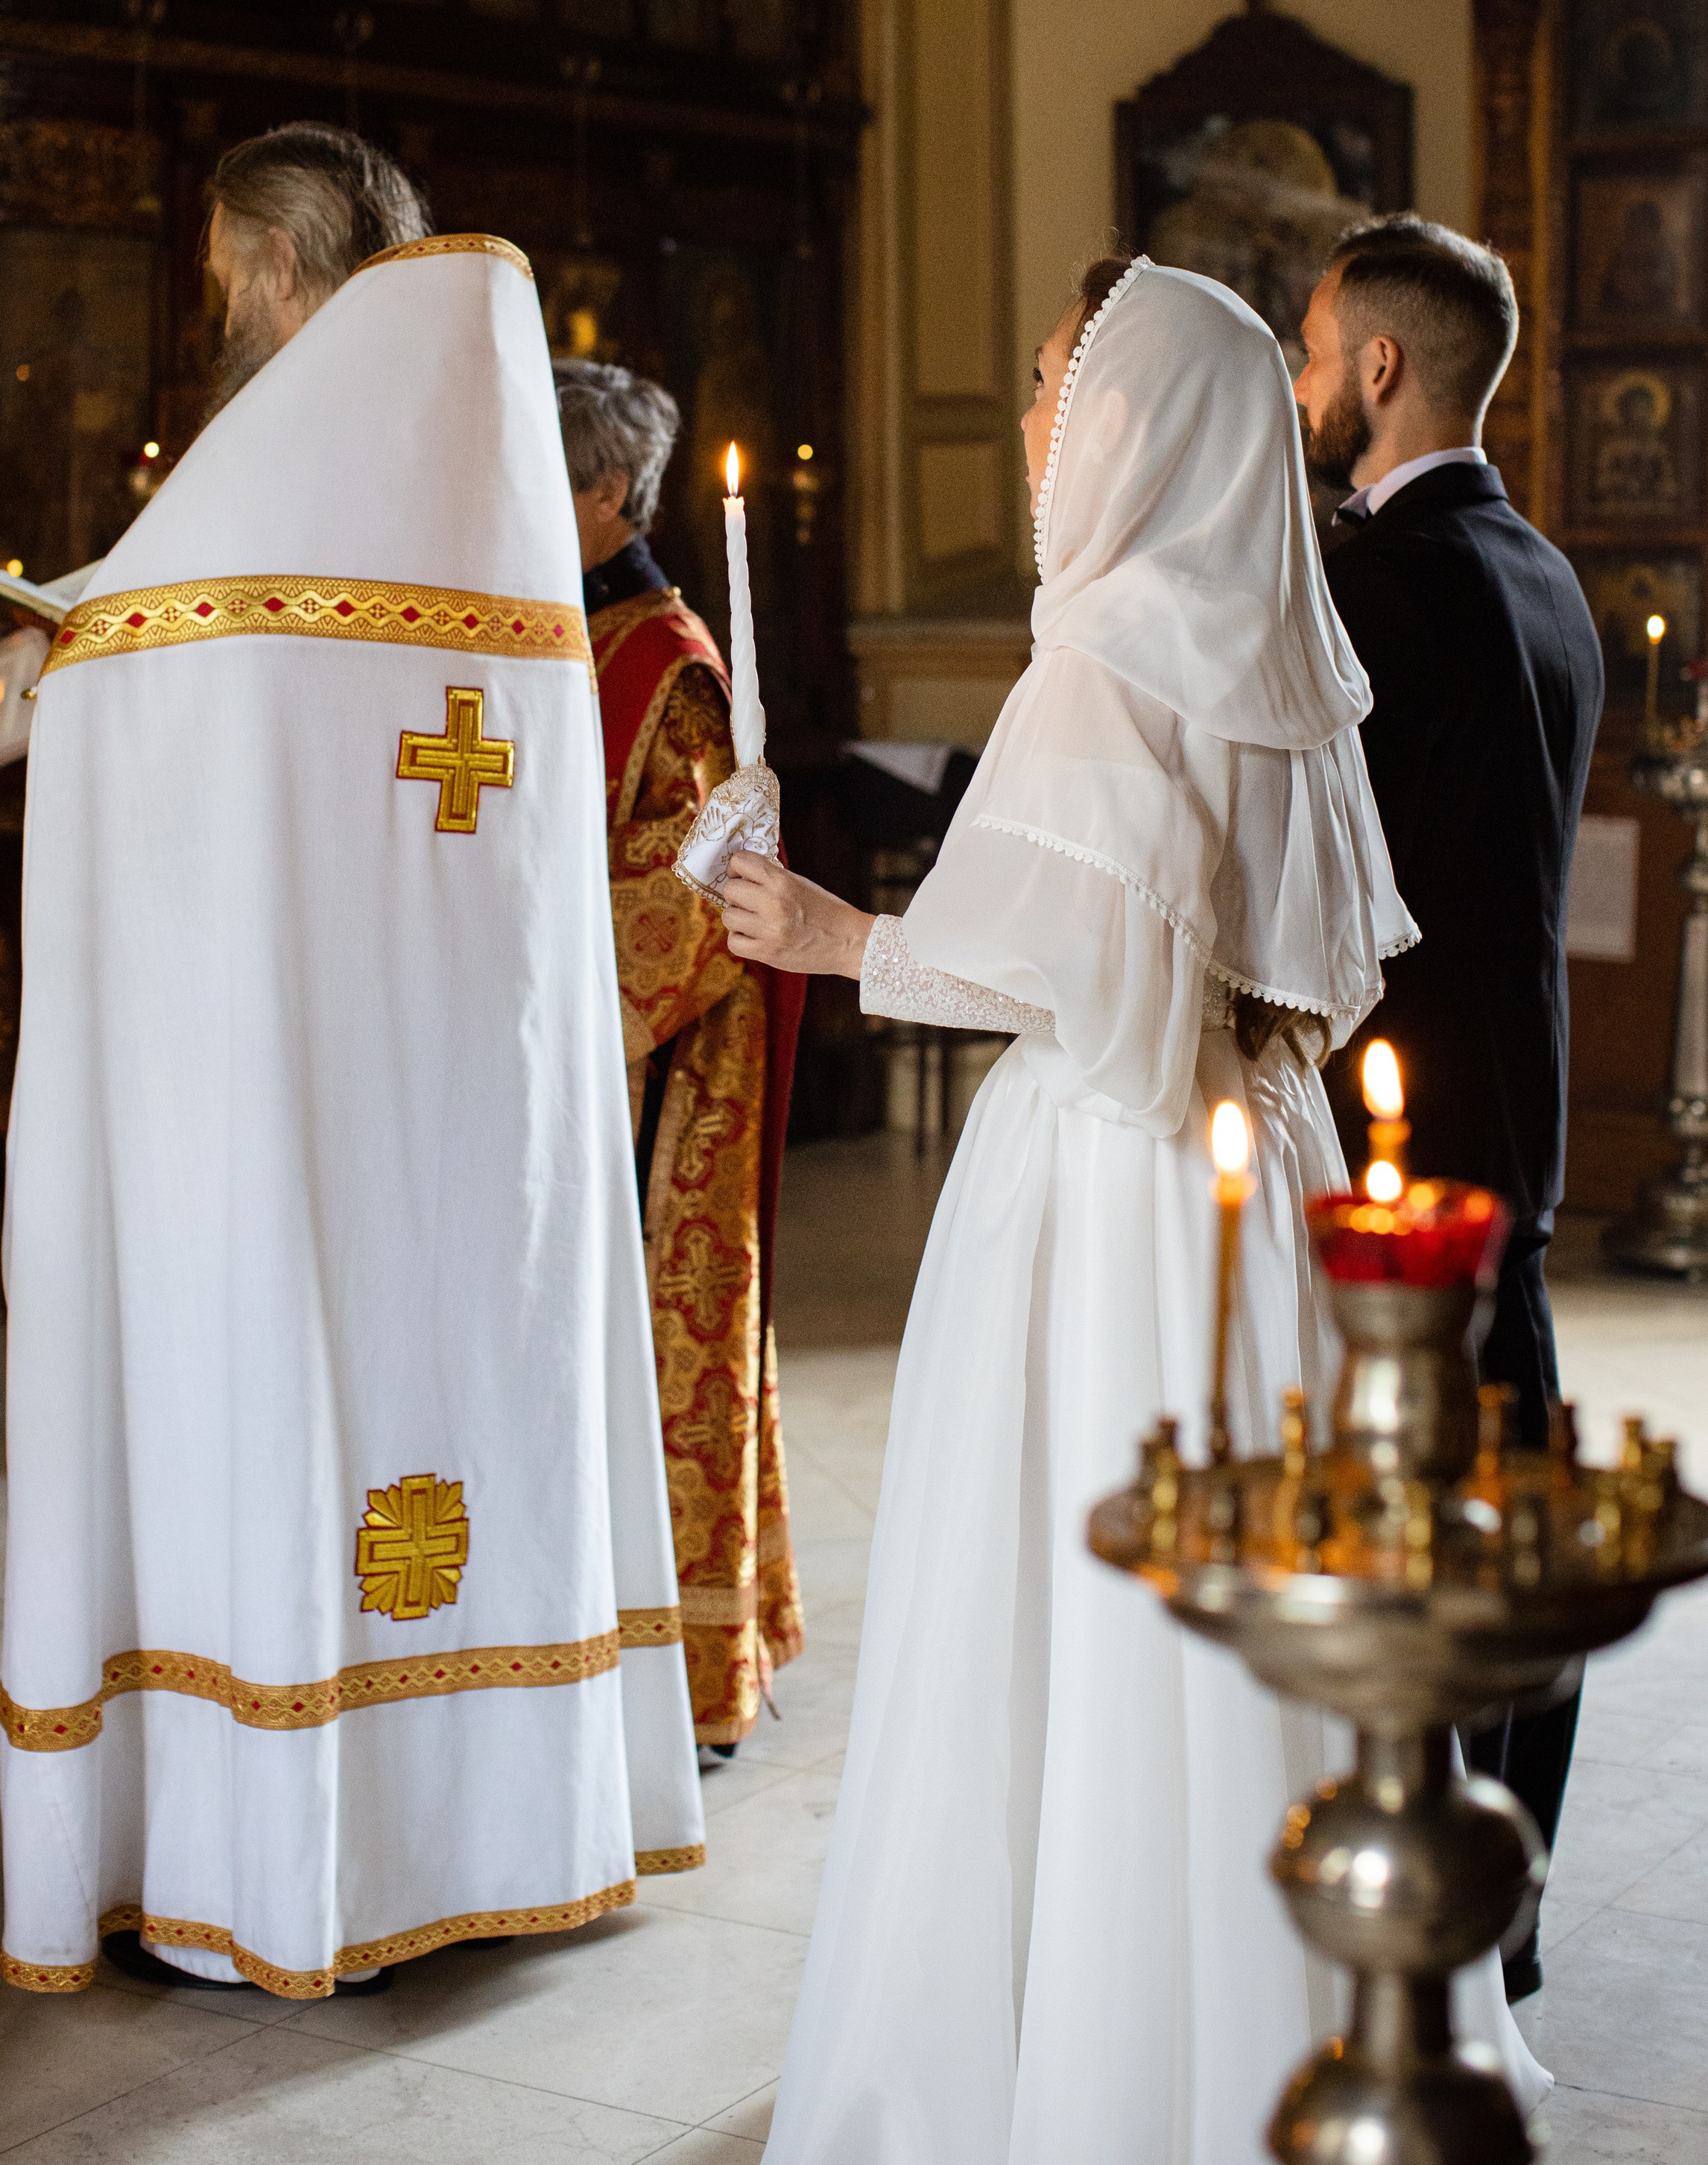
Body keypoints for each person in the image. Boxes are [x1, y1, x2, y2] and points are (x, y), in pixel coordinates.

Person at [724, 256, 1549, 2160]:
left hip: (1108, 1178)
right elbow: (1299, 968)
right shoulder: (1279, 656)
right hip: (1266, 1167)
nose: (1031, 419)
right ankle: (1287, 2026)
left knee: (1071, 1591)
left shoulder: (1103, 649)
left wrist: (839, 935)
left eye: (1052, 380)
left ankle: (1067, 2065)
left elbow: (1085, 973)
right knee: (1249, 1593)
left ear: (1134, 415)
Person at [0, 125, 701, 2001]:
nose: (220, 313)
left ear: (282, 269)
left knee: (290, 1394)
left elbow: (150, 704)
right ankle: (486, 1823)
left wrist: (63, 671)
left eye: (227, 278)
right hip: (467, 1086)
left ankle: (278, 1837)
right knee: (448, 1367)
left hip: (281, 1073)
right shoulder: (481, 471)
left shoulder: (257, 485)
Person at [1295, 213, 1604, 2003]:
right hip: (1517, 1107)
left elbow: (1330, 885)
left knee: (1423, 1530)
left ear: (1379, 365)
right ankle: (1509, 1901)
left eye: (1310, 351)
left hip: (1397, 1118)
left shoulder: (1372, 583)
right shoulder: (1540, 567)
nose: (1301, 384)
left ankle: (1441, 1914)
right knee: (1517, 1500)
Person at [554, 355, 805, 1754]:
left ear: (606, 491)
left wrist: (545, 938)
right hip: (583, 1053)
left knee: (663, 1360)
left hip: (673, 1066)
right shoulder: (556, 635)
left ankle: (688, 1678)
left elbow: (716, 875)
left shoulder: (673, 663)